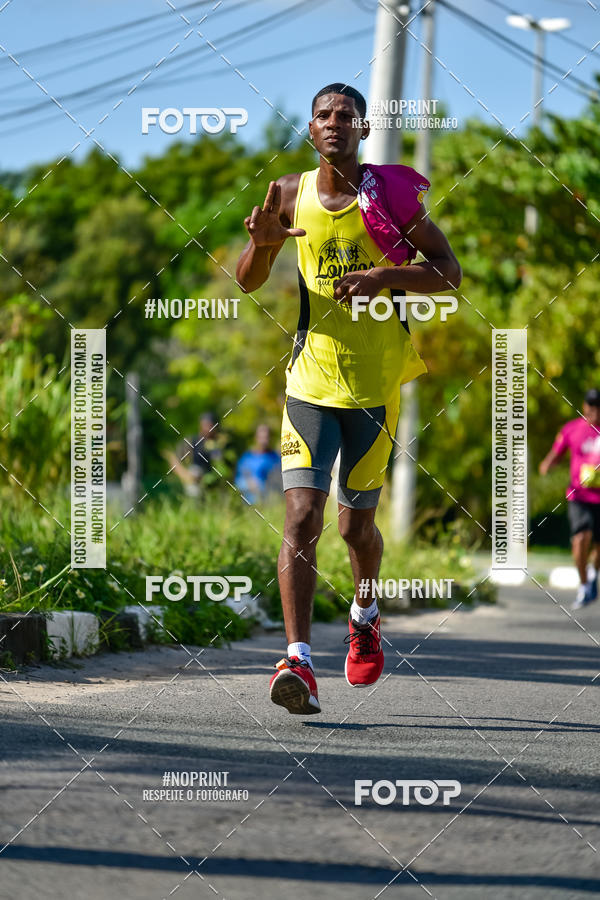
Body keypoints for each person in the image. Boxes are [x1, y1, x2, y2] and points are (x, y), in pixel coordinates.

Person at [236, 83, 461, 715]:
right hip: (309, 380)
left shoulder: (385, 196)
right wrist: (264, 243)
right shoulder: (287, 192)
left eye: (347, 116)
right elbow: (249, 281)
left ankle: (364, 611)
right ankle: (298, 662)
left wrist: (386, 274)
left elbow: (448, 272)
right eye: (324, 115)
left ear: (363, 130)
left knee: (355, 527)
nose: (335, 124)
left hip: (376, 385)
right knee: (302, 516)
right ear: (310, 130)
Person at [539, 389, 600, 609]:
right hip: (579, 495)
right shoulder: (572, 429)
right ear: (584, 406)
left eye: (598, 406)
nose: (594, 410)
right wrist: (547, 464)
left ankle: (593, 572)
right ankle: (584, 585)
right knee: (580, 538)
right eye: (590, 405)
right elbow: (557, 452)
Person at [164, 412, 227, 498]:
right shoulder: (192, 441)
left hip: (217, 484)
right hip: (196, 481)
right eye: (204, 424)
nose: (206, 428)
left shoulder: (222, 444)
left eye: (209, 425)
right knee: (195, 473)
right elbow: (174, 459)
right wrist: (186, 475)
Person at [235, 424, 282, 504]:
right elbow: (240, 477)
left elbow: (279, 478)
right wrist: (251, 483)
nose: (264, 441)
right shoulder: (247, 457)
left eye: (266, 437)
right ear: (256, 438)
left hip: (269, 495)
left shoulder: (275, 458)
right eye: (261, 437)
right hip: (248, 494)